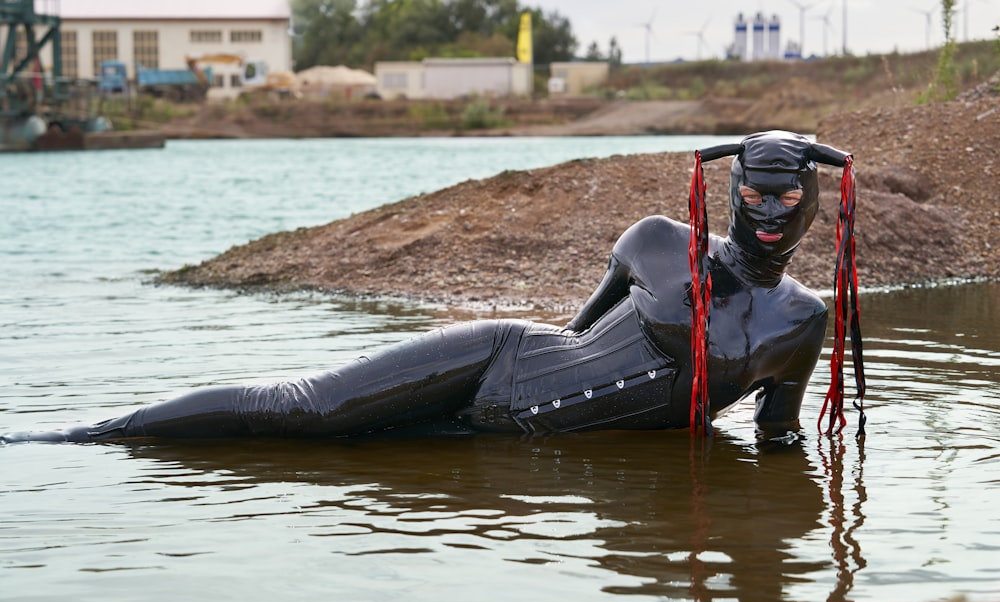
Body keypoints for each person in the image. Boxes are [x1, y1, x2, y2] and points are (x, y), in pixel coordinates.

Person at [1, 130, 864, 444]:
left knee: (353, 457)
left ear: (815, 202)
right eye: (751, 191)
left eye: (786, 196)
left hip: (509, 441)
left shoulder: (803, 319)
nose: (766, 211)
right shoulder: (656, 240)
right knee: (303, 412)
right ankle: (77, 434)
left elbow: (776, 436)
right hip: (499, 364)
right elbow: (570, 334)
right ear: (729, 188)